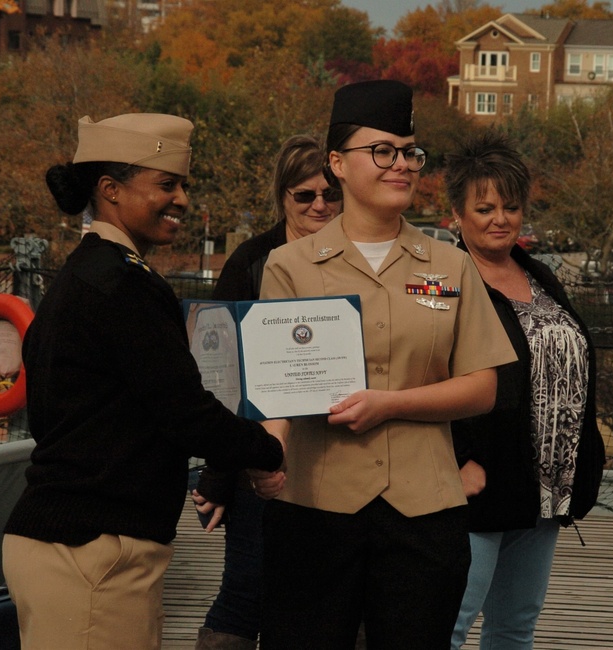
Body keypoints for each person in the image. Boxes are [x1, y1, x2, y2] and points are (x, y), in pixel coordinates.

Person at [2, 113, 286, 650]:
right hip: (93, 552)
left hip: (71, 544)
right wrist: (268, 450)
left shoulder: (81, 278)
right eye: (166, 184)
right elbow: (184, 411)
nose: (181, 199)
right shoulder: (123, 286)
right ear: (110, 189)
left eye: (182, 185)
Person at [257, 80, 517, 649]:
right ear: (337, 164)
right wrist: (262, 459)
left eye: (409, 152)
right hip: (316, 507)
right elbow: (276, 388)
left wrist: (391, 404)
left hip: (424, 513)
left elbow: (482, 387)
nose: (401, 165)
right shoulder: (289, 266)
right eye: (382, 152)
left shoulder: (450, 265)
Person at [444, 130, 605, 649]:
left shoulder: (538, 276)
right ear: (457, 215)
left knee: (516, 626)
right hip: (480, 483)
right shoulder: (445, 281)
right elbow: (424, 372)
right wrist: (458, 458)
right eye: (485, 207)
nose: (500, 219)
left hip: (545, 488)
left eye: (510, 207)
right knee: (450, 623)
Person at [192, 134, 342, 650]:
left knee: (334, 597)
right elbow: (218, 377)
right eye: (304, 195)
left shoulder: (357, 258)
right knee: (245, 591)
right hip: (260, 456)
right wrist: (218, 474)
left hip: (340, 452)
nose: (319, 204)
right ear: (282, 197)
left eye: (330, 193)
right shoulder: (250, 262)